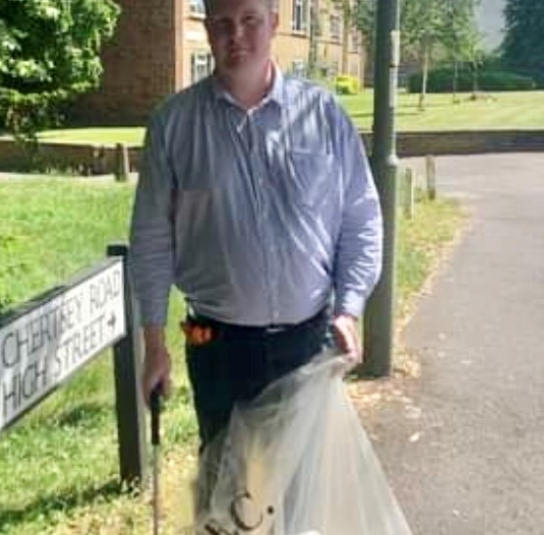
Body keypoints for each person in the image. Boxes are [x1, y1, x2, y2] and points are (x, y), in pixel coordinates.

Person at [128, 0, 383, 450]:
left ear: (275, 24)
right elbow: (151, 239)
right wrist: (154, 344)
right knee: (229, 499)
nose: (236, 36)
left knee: (302, 494)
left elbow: (360, 217)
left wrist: (349, 307)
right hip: (216, 344)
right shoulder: (174, 125)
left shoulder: (324, 117)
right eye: (223, 24)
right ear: (207, 29)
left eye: (250, 21)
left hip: (309, 340)